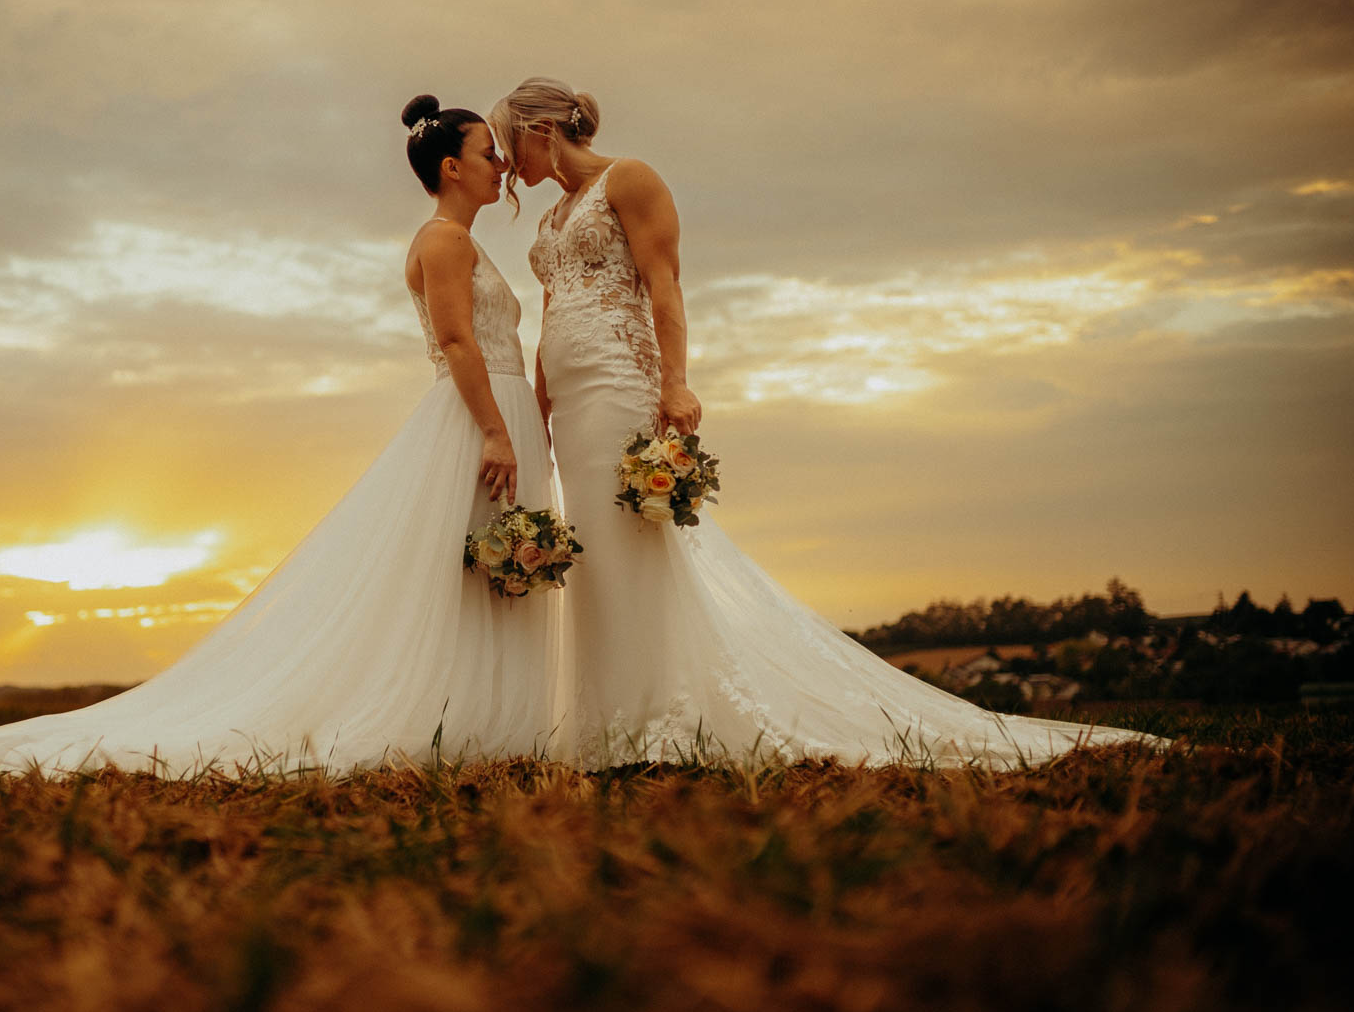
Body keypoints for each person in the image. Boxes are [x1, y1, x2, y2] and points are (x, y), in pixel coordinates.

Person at [0, 96, 563, 777]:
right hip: (475, 418)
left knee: (489, 571)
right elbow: (455, 341)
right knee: (459, 570)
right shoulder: (443, 241)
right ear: (450, 167)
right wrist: (495, 432)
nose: (500, 164)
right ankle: (445, 714)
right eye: (487, 153)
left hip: (496, 413)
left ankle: (487, 714)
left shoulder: (462, 242)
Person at [488, 76, 1163, 767]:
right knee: (596, 556)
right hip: (570, 404)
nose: (508, 165)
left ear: (542, 129)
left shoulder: (630, 179)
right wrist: (538, 414)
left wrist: (677, 382)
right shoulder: (549, 219)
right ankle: (609, 728)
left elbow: (666, 284)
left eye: (510, 143)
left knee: (632, 546)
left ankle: (660, 719)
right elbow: (551, 318)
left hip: (620, 384)